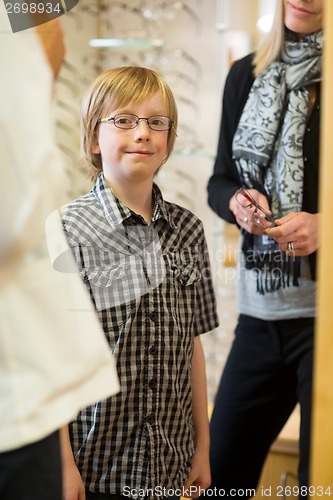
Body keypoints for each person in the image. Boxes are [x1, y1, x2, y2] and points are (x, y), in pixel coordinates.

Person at [59, 66, 219, 500]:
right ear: (95, 139)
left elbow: (193, 346)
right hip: (93, 465)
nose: (143, 132)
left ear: (169, 140)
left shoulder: (188, 231)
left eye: (156, 121)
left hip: (171, 464)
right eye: (124, 120)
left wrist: (203, 448)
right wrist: (62, 464)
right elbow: (50, 354)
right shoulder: (68, 229)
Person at [0, 9, 119, 500]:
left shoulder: (183, 228)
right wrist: (38, 57)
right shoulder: (69, 225)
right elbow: (15, 212)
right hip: (24, 410)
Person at [207, 0, 322, 498]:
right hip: (258, 316)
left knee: (317, 483)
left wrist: (327, 227)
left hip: (325, 322)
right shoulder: (243, 75)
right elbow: (218, 181)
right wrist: (237, 201)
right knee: (219, 477)